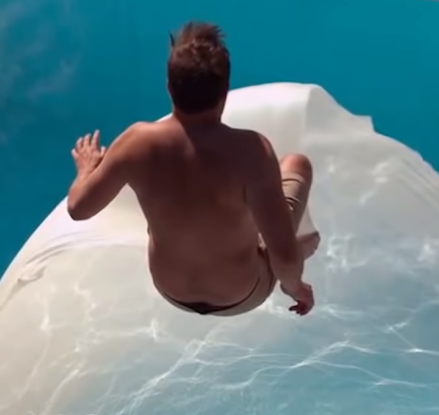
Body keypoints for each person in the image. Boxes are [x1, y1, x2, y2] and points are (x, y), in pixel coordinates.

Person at [67, 21, 319, 316]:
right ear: (225, 91)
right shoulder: (252, 152)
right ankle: (305, 241)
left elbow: (79, 209)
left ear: (169, 87)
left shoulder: (135, 144)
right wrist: (296, 288)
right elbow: (285, 260)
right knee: (296, 164)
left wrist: (86, 170)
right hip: (241, 295)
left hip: (170, 290)